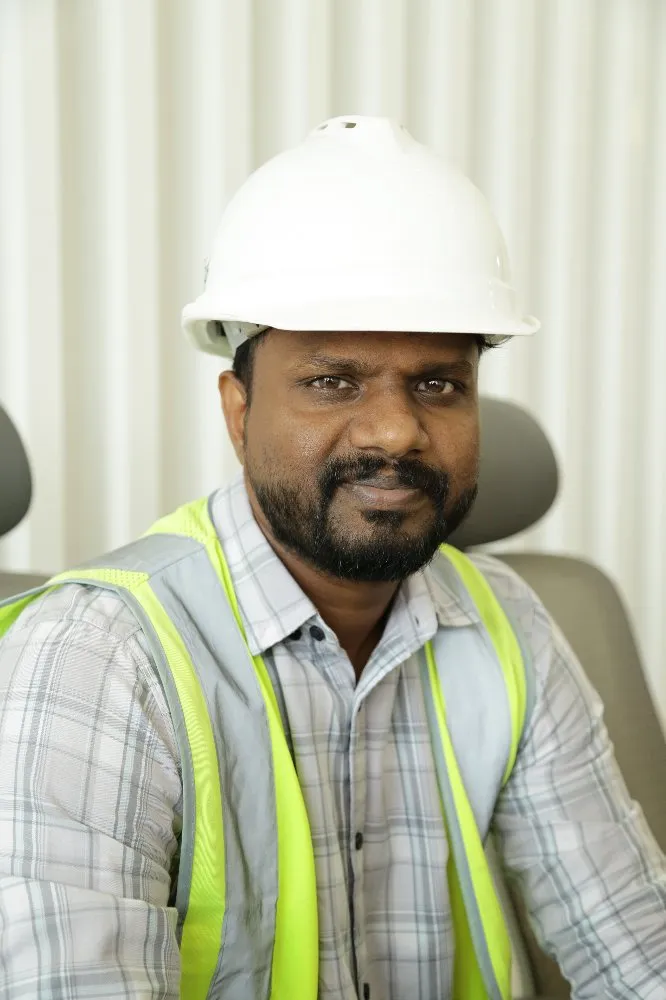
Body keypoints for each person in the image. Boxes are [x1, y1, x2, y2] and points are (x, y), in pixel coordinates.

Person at [0, 116, 664, 1000]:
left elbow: (637, 952)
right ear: (238, 412)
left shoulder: (510, 625)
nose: (396, 429)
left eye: (439, 383)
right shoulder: (94, 656)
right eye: (331, 381)